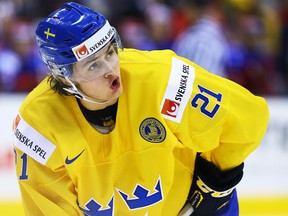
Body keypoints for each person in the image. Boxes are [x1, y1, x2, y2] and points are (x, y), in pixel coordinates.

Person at [12, 2, 269, 216]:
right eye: (93, 65)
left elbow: (248, 117)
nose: (111, 70)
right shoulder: (38, 124)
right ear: (65, 77)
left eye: (110, 52)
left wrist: (215, 180)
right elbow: (47, 207)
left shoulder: (162, 79)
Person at [172, 0, 229, 77]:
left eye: (186, 7)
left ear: (194, 8)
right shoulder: (204, 31)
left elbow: (200, 76)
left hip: (198, 86)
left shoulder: (202, 37)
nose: (184, 11)